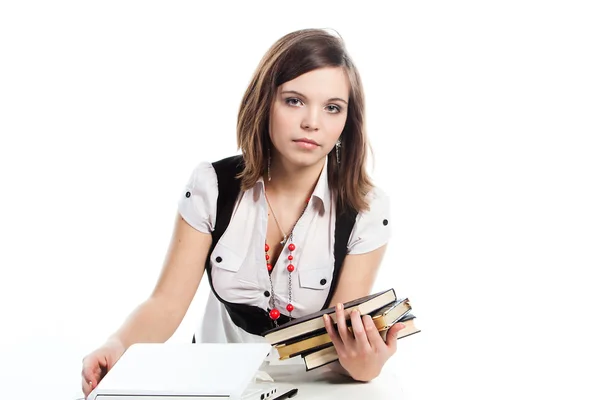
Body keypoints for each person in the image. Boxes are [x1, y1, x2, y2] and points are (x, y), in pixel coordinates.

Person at [80, 28, 405, 397]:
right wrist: (117, 346)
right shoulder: (213, 187)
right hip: (213, 381)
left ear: (348, 120)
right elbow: (166, 304)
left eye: (332, 107)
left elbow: (340, 340)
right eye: (294, 101)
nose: (312, 122)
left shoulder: (365, 209)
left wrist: (366, 365)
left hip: (311, 387)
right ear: (264, 102)